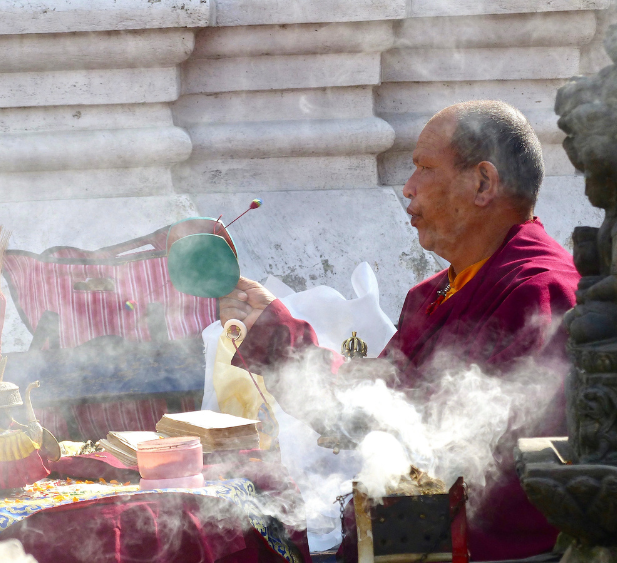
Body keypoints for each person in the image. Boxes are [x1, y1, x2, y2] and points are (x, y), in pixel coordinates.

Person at [219, 100, 580, 561]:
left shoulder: (540, 293)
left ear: (483, 183)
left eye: (424, 168)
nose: (408, 188)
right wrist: (272, 331)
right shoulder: (432, 295)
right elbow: (370, 405)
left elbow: (499, 469)